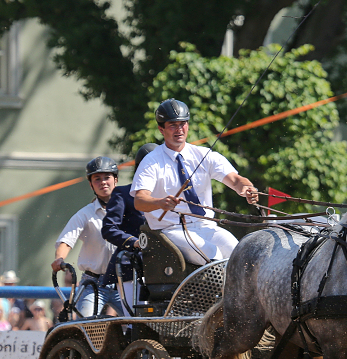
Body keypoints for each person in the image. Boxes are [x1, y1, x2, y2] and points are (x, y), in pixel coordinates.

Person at [132, 99, 259, 265]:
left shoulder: (204, 154)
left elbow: (235, 180)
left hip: (207, 226)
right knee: (213, 255)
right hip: (171, 230)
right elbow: (140, 201)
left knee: (239, 254)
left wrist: (247, 188)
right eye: (172, 125)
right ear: (161, 129)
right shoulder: (151, 161)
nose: (179, 130)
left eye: (182, 124)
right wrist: (160, 202)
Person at [52, 156, 120, 317]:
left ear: (115, 180)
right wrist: (59, 260)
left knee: (143, 324)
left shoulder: (130, 209)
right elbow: (66, 240)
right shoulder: (84, 214)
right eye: (97, 179)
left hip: (125, 283)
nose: (103, 182)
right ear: (91, 185)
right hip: (94, 284)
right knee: (86, 326)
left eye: (107, 177)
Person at [101, 143, 155, 314]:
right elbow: (109, 228)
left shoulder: (167, 196)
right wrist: (135, 243)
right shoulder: (123, 194)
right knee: (136, 320)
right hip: (132, 265)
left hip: (164, 266)